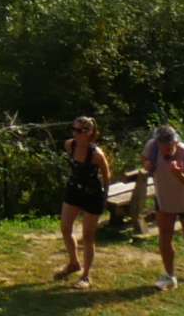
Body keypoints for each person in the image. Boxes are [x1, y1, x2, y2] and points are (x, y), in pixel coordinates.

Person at [142, 123, 184, 290]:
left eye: (169, 147)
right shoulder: (152, 147)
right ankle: (170, 276)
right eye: (163, 147)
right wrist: (147, 164)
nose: (166, 151)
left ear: (175, 142)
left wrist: (180, 175)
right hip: (164, 201)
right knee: (164, 236)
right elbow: (145, 159)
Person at [55, 116, 109, 289]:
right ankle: (73, 262)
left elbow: (107, 175)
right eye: (74, 129)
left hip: (92, 194)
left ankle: (85, 276)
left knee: (88, 236)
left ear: (90, 133)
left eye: (80, 131)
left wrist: (105, 197)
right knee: (65, 227)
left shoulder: (96, 155)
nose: (75, 133)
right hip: (74, 189)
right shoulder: (69, 145)